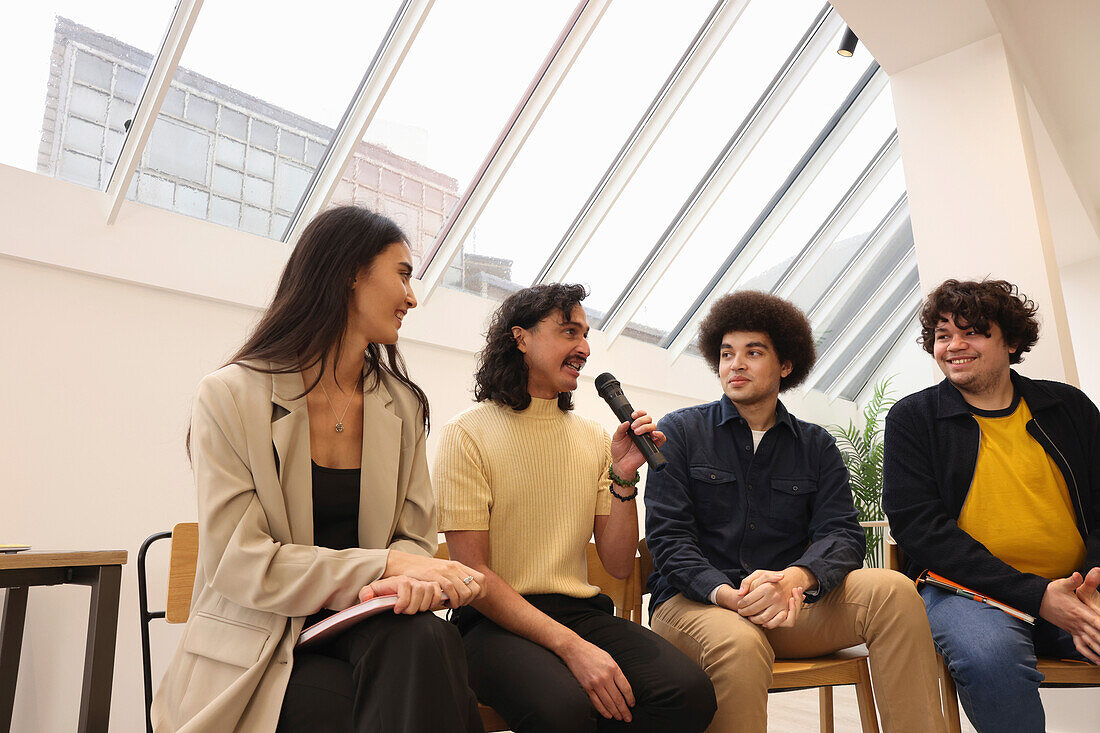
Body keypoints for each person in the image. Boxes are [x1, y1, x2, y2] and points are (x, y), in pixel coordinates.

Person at [151, 206, 486, 733]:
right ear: (351, 272)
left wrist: (409, 576)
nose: (412, 297)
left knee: (426, 642)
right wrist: (387, 569)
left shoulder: (401, 407)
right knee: (424, 689)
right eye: (402, 274)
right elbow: (242, 563)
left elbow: (412, 542)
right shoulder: (230, 396)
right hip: (260, 648)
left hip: (369, 629)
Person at [644, 291, 946, 733]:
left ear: (785, 365)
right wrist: (730, 596)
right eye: (727, 353)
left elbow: (842, 534)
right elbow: (669, 541)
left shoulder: (816, 445)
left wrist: (796, 579)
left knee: (894, 591)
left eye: (753, 352)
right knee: (740, 645)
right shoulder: (679, 433)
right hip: (695, 606)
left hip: (788, 608)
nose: (736, 364)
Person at [432, 283, 716, 733]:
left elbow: (620, 564)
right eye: (568, 332)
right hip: (489, 621)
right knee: (563, 707)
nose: (584, 348)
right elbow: (474, 575)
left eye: (585, 334)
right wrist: (572, 648)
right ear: (520, 338)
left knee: (688, 694)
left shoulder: (593, 438)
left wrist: (623, 473)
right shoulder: (467, 434)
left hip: (579, 611)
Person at [883, 278, 1100, 732]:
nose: (955, 345)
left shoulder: (1070, 407)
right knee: (989, 655)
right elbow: (918, 528)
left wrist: (1091, 583)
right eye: (943, 335)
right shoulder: (913, 419)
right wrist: (1038, 597)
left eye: (973, 332)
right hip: (965, 591)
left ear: (1012, 341)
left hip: (1078, 587)